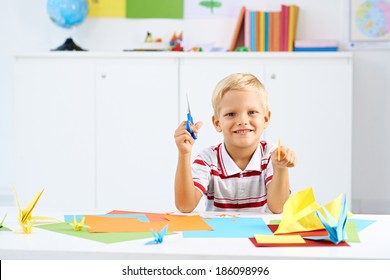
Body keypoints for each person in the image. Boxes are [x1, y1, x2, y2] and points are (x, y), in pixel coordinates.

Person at [174, 73, 296, 214]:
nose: (242, 121)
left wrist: (280, 169)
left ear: (266, 119)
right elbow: (185, 205)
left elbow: (278, 207)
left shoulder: (271, 156)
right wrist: (184, 153)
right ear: (217, 123)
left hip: (260, 234)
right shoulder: (208, 159)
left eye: (251, 112)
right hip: (218, 234)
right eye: (231, 114)